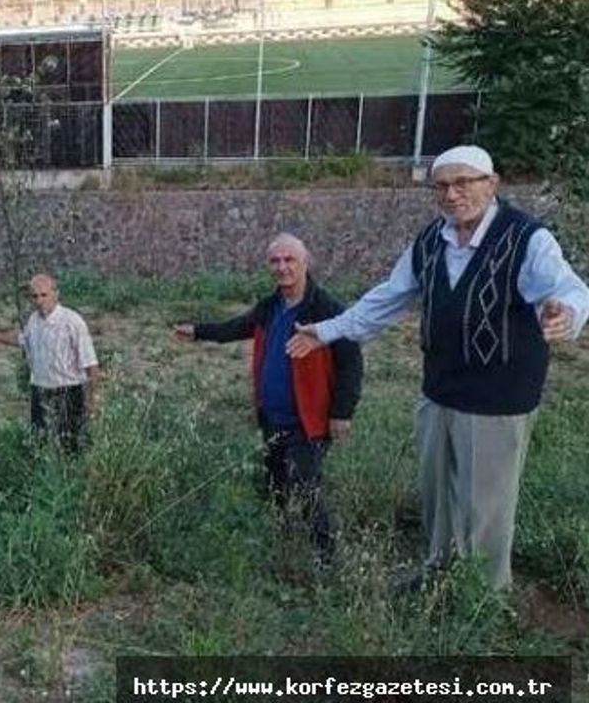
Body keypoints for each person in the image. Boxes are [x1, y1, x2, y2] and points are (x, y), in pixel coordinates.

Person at [288, 145, 589, 590]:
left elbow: (568, 288)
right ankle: (437, 575)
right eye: (442, 186)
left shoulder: (526, 238)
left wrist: (565, 312)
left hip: (497, 400)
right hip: (439, 392)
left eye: (463, 182)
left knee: (484, 505)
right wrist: (326, 331)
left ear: (492, 184)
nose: (452, 194)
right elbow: (387, 298)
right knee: (439, 498)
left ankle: (484, 596)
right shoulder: (432, 240)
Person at [174, 234, 362, 566]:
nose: (282, 267)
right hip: (273, 418)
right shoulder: (270, 306)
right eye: (275, 261)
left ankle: (327, 560)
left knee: (306, 488)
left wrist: (342, 412)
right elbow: (238, 326)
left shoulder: (327, 309)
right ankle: (283, 545)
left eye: (289, 260)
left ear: (306, 262)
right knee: (275, 484)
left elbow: (351, 363)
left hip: (309, 421)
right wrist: (199, 331)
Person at [0, 273, 100, 454]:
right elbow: (23, 340)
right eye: (35, 296)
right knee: (39, 444)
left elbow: (91, 365)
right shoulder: (34, 320)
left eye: (44, 295)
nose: (39, 300)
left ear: (55, 294)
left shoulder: (72, 322)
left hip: (68, 393)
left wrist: (91, 400)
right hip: (40, 391)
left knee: (70, 447)